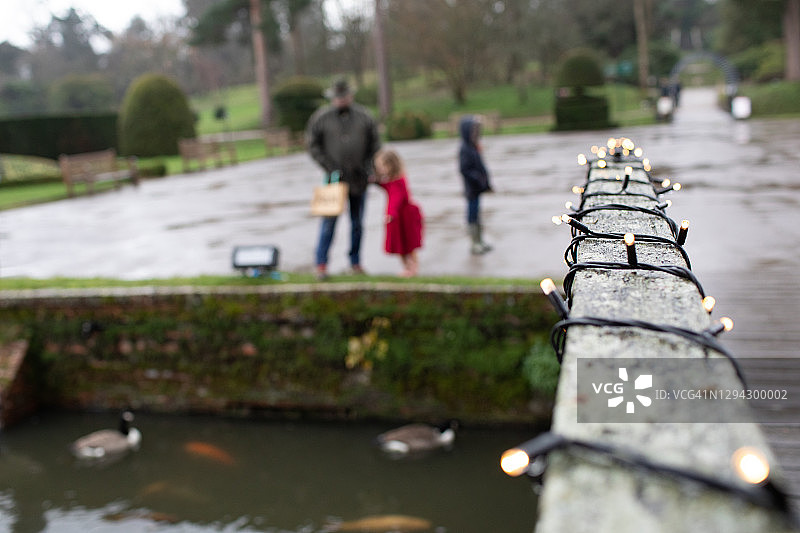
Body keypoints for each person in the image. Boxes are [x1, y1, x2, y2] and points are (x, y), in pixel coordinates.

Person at [306, 78, 381, 280]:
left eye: (344, 96)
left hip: (359, 178)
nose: (341, 100)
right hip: (334, 179)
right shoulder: (321, 118)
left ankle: (355, 263)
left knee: (357, 223)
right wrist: (329, 167)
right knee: (328, 223)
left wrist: (368, 167)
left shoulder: (364, 116)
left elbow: (375, 144)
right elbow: (313, 146)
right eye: (338, 97)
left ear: (351, 96)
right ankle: (321, 264)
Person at [373, 149, 424, 277]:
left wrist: (391, 214)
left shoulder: (398, 181)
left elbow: (397, 197)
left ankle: (413, 268)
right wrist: (377, 182)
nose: (380, 170)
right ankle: (408, 268)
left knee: (408, 244)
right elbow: (388, 188)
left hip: (403, 217)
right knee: (401, 245)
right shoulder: (393, 180)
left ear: (391, 165)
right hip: (398, 217)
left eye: (382, 167)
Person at [458, 115, 493, 254]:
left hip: (477, 189)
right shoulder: (464, 149)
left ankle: (480, 240)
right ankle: (474, 243)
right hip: (471, 189)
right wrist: (477, 178)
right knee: (472, 215)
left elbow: (480, 165)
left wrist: (486, 182)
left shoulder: (474, 146)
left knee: (477, 215)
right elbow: (464, 169)